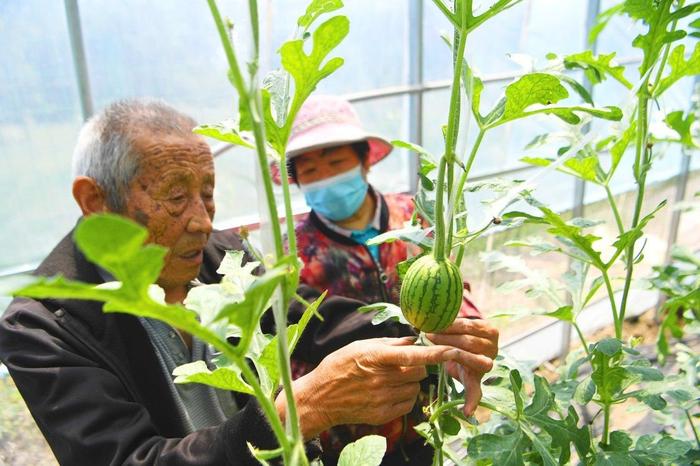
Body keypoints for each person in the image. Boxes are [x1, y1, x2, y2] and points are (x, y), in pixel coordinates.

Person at [0, 99, 498, 465]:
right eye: (176, 196)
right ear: (95, 201)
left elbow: (306, 313)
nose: (200, 220)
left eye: (208, 193)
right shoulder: (44, 325)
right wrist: (302, 409)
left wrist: (425, 333)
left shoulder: (220, 254)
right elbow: (131, 459)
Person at [280, 95, 482, 463]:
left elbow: (452, 286)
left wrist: (465, 330)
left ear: (364, 162)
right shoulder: (292, 251)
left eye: (336, 162)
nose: (325, 178)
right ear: (298, 183)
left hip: (424, 420)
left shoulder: (414, 217)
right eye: (310, 172)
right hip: (345, 439)